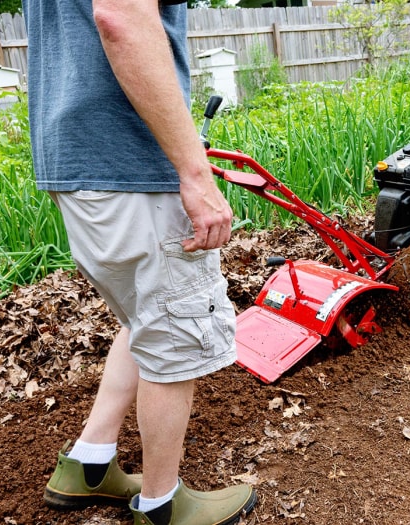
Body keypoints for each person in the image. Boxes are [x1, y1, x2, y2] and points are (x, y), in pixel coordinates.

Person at [21, 1, 257, 524]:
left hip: (75, 161)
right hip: (128, 163)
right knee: (175, 336)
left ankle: (88, 464)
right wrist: (194, 173)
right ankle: (162, 504)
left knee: (144, 317)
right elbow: (120, 18)